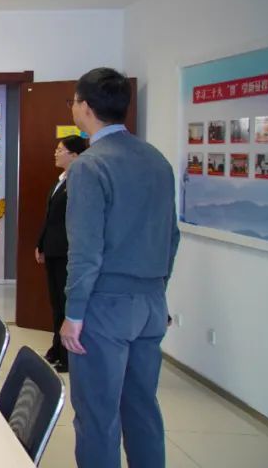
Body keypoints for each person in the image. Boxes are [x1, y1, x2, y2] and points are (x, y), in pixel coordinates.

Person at [62, 68, 179, 468]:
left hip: (105, 306)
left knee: (98, 416)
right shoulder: (156, 160)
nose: (73, 108)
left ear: (85, 107)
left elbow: (85, 250)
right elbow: (171, 236)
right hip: (151, 303)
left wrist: (74, 314)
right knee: (143, 408)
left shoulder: (89, 165)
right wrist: (158, 290)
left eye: (74, 101)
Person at [33, 134, 88, 373]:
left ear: (74, 155)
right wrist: (41, 244)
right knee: (56, 303)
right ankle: (57, 348)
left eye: (60, 150)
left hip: (66, 251)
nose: (55, 153)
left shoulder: (79, 182)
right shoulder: (61, 180)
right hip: (53, 249)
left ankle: (67, 355)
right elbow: (50, 218)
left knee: (66, 303)